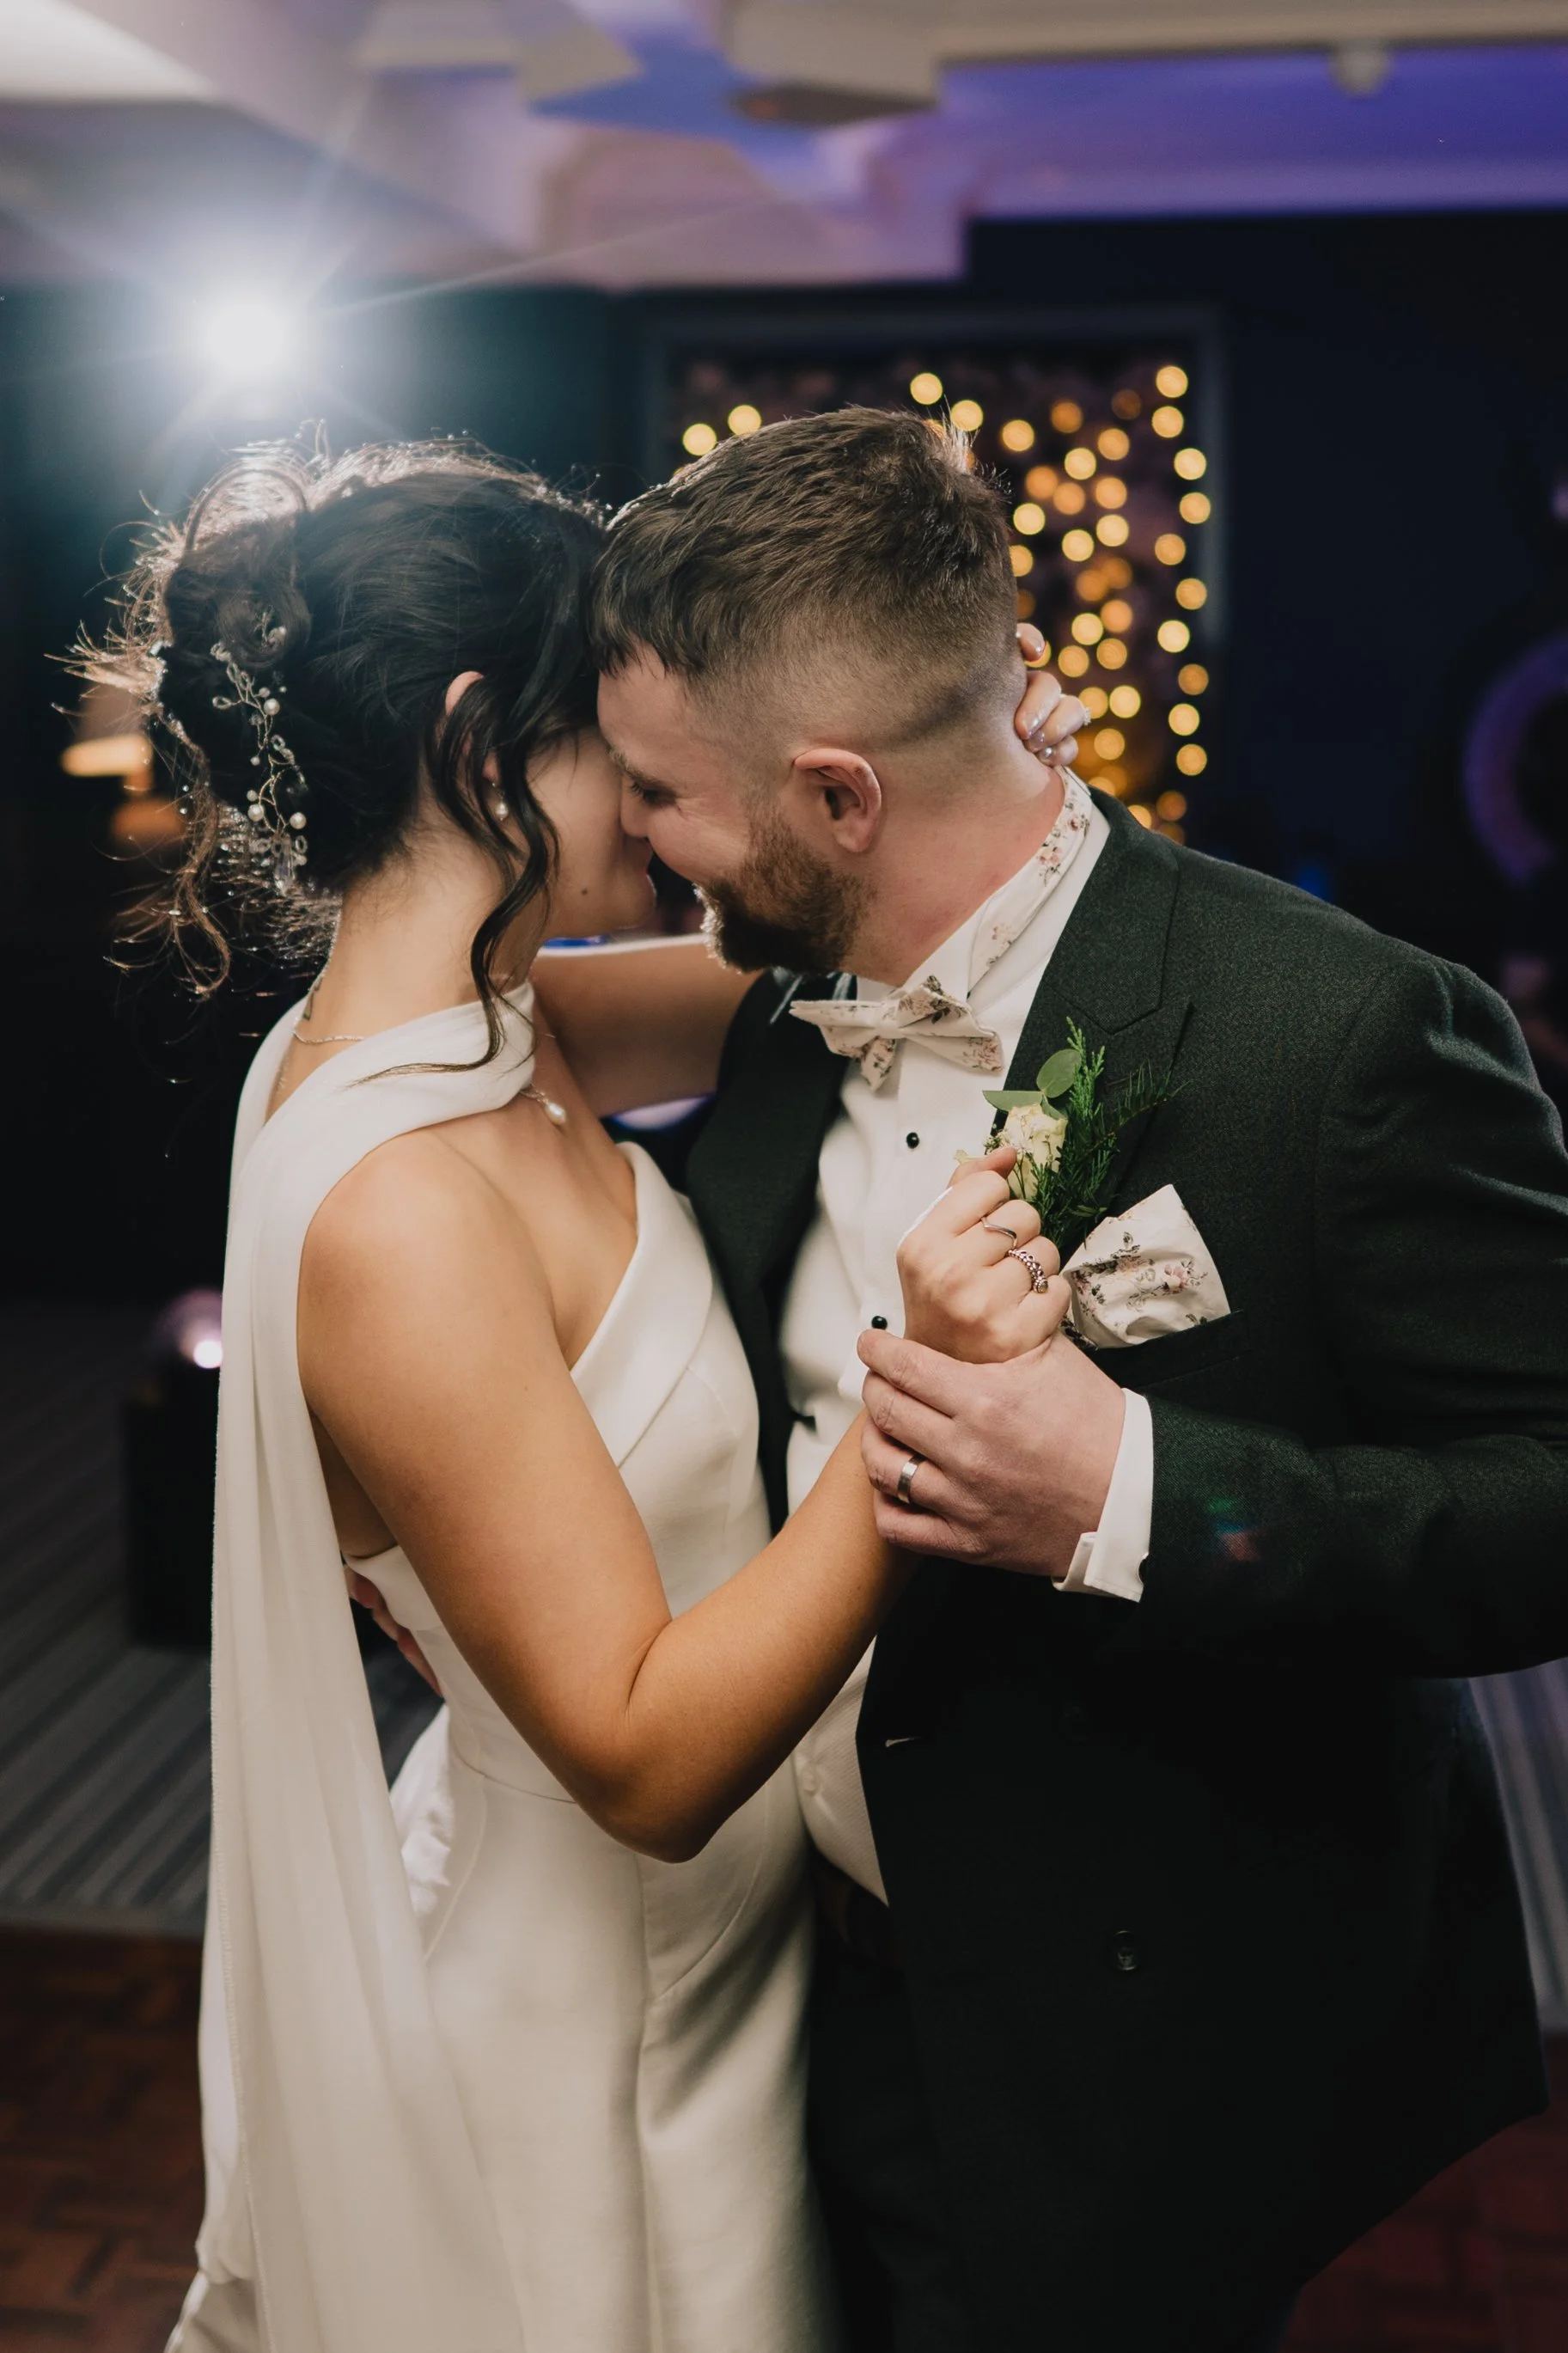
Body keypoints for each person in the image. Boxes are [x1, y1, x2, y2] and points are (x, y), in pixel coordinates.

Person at [516, 403, 1568, 2353]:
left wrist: (1134, 1493)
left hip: (1152, 2043)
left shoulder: (1343, 1040)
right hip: (798, 1974)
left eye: (663, 795)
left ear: (838, 795)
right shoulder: (777, 999)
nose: (637, 845)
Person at [90, 437, 1083, 2353]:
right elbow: (639, 1753)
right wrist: (930, 1408)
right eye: (626, 731)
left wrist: (989, 787)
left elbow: (853, 982)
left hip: (720, 1975)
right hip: (581, 2054)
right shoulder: (396, 1202)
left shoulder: (494, 1029)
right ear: (482, 737)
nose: (664, 774)